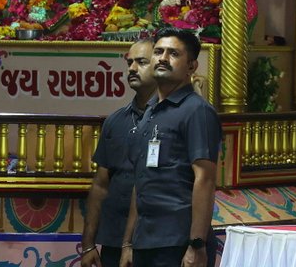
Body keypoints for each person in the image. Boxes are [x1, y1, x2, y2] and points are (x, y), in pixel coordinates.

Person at [124, 28, 222, 267]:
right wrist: (128, 243)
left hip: (178, 242)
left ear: (191, 66)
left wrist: (196, 244)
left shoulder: (197, 110)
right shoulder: (150, 111)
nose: (163, 58)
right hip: (145, 241)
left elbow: (205, 179)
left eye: (173, 54)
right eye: (158, 52)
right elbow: (141, 179)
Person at [80, 39, 157, 267]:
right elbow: (100, 186)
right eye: (129, 63)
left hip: (158, 242)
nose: (132, 68)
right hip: (114, 240)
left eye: (141, 62)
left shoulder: (173, 118)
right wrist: (88, 244)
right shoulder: (115, 121)